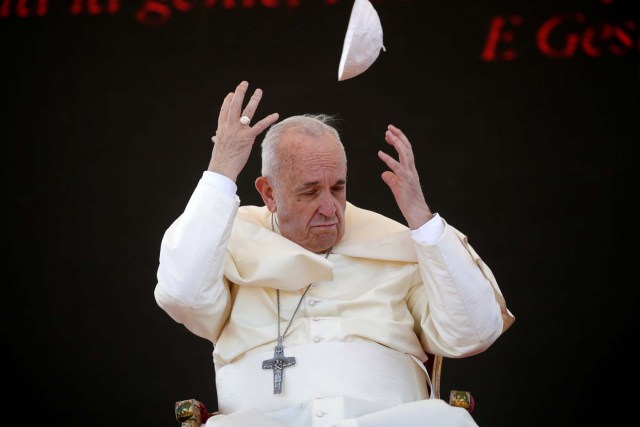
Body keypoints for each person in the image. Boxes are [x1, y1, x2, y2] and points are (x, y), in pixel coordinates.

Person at [155, 80, 515, 427]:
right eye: (310, 192)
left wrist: (422, 220)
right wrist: (221, 171)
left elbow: (474, 332)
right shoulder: (230, 241)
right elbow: (180, 293)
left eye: (338, 187)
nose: (330, 208)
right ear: (269, 194)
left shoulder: (396, 244)